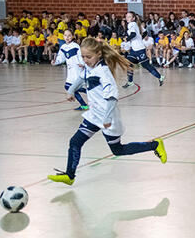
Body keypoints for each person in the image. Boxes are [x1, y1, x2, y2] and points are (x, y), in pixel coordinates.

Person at [47, 37, 167, 185]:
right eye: (83, 57)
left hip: (108, 116)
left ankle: (155, 145)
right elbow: (80, 77)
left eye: (88, 57)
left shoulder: (103, 72)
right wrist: (71, 90)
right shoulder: (90, 67)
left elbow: (112, 97)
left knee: (117, 150)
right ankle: (69, 176)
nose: (85, 60)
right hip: (94, 115)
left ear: (98, 54)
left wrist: (108, 118)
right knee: (75, 142)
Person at [122, 11, 164, 88]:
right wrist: (139, 38)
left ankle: (160, 77)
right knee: (128, 63)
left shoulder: (131, 24)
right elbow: (145, 33)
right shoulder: (137, 25)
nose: (127, 18)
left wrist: (126, 39)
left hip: (139, 49)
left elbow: (133, 34)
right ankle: (130, 82)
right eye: (126, 16)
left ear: (133, 18)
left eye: (129, 17)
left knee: (146, 65)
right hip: (134, 49)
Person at [51, 29, 88, 110]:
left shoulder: (75, 46)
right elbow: (61, 59)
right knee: (69, 86)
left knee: (71, 87)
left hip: (77, 69)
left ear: (73, 36)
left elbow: (81, 55)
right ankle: (87, 98)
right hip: (70, 71)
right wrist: (55, 62)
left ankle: (86, 101)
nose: (67, 37)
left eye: (69, 35)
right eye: (65, 35)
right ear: (63, 36)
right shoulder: (63, 47)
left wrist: (83, 63)